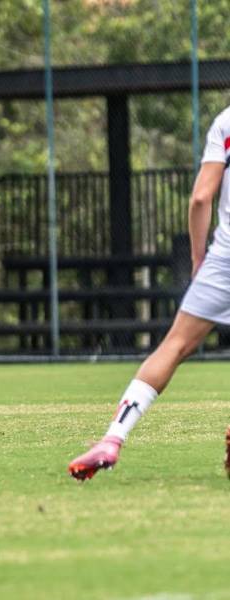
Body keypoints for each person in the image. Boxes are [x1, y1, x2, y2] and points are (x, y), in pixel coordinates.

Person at [68, 106, 230, 480]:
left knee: (173, 346)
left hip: (224, 257)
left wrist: (198, 256)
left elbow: (201, 198)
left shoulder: (224, 121)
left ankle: (113, 438)